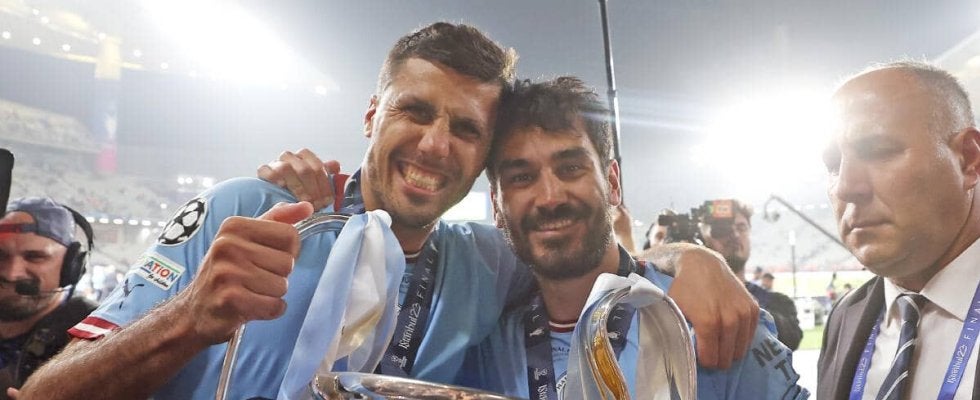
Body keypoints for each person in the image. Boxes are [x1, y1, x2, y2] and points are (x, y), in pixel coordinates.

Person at [21, 23, 757, 399]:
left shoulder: (486, 260)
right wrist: (189, 319)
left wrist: (693, 258)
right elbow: (47, 394)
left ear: (483, 159)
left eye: (465, 128)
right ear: (372, 115)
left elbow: (582, 247)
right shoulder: (246, 213)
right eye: (415, 111)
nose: (436, 144)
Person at [463, 77, 808, 399]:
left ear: (612, 183)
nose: (550, 197)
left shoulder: (706, 318)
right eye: (522, 177)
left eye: (571, 169)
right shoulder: (481, 344)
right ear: (497, 204)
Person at [817, 61, 980, 399]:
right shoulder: (846, 317)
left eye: (878, 152)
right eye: (833, 165)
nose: (846, 186)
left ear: (968, 160)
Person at [0, 197, 97, 397]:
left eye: (34, 257)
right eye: (0, 255)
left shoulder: (96, 341)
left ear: (71, 267)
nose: (11, 274)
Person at [698, 199, 803, 351]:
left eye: (741, 227)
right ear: (704, 237)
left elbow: (791, 339)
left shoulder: (777, 302)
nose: (734, 234)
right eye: (722, 228)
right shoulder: (687, 297)